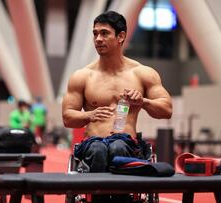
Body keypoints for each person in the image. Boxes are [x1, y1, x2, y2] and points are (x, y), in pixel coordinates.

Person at [62, 11, 172, 202]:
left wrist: (143, 102)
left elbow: (166, 110)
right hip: (92, 144)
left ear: (121, 36)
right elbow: (67, 118)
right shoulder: (82, 76)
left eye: (104, 33)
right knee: (99, 149)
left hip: (126, 144)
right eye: (95, 33)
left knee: (118, 147)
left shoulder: (143, 73)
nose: (98, 39)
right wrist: (89, 115)